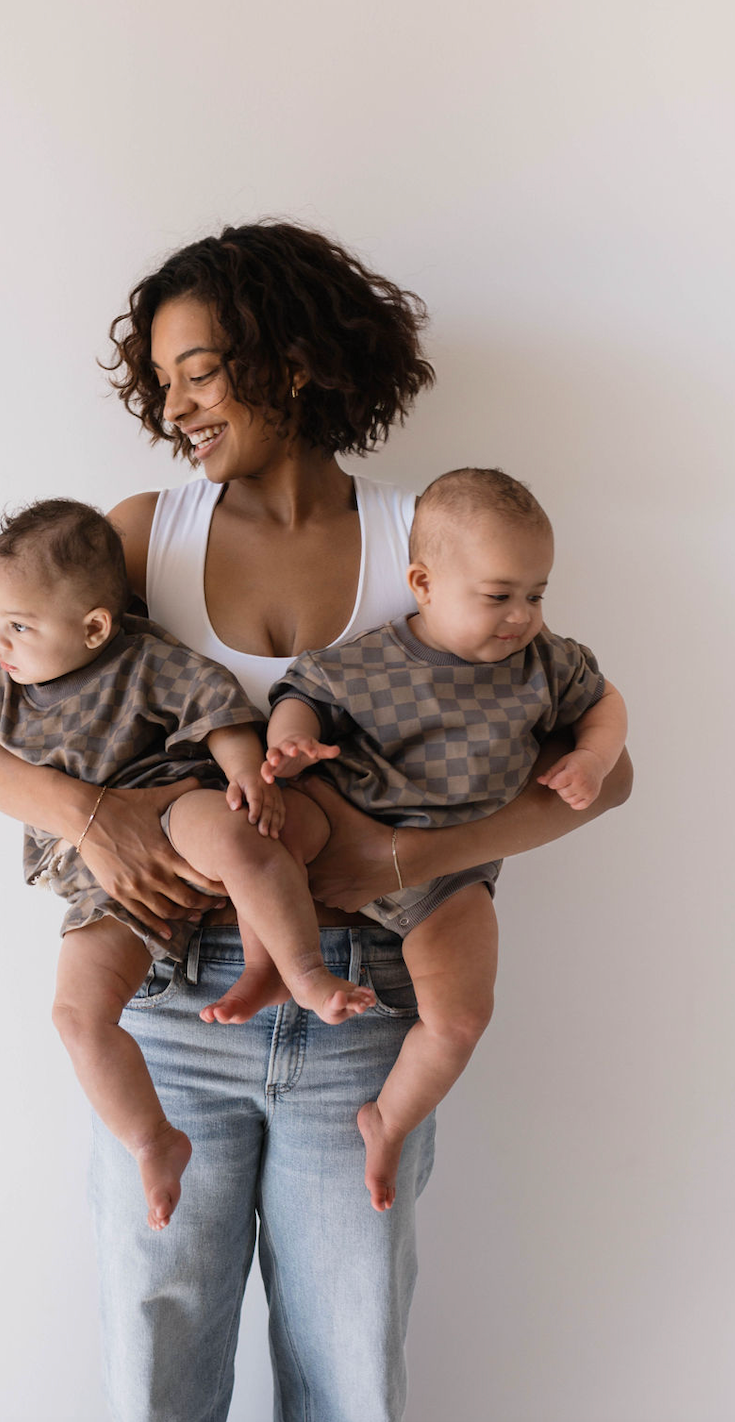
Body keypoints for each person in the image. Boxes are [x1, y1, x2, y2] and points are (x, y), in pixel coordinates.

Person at [0, 221, 632, 1422]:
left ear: (293, 359)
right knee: (157, 1361)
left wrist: (410, 855)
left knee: (349, 1367)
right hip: (164, 993)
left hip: (366, 1001)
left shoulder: (431, 542)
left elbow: (597, 778)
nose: (175, 407)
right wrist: (94, 816)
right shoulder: (140, 536)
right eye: (161, 382)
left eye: (198, 371)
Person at [0, 497, 375, 1230]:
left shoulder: (144, 661)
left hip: (167, 803)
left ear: (94, 625)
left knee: (238, 839)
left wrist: (245, 773)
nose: (0, 641)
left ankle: (304, 972)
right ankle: (150, 1138)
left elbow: (218, 710)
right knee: (76, 1014)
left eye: (21, 625)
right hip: (93, 877)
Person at [256, 466, 627, 1211]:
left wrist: (590, 757)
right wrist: (292, 744)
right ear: (423, 583)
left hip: (449, 876)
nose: (521, 615)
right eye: (498, 596)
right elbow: (302, 694)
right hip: (347, 819)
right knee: (262, 824)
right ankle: (272, 964)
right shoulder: (370, 660)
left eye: (535, 594)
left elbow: (606, 704)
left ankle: (388, 1120)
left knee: (460, 1018)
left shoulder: (546, 665)